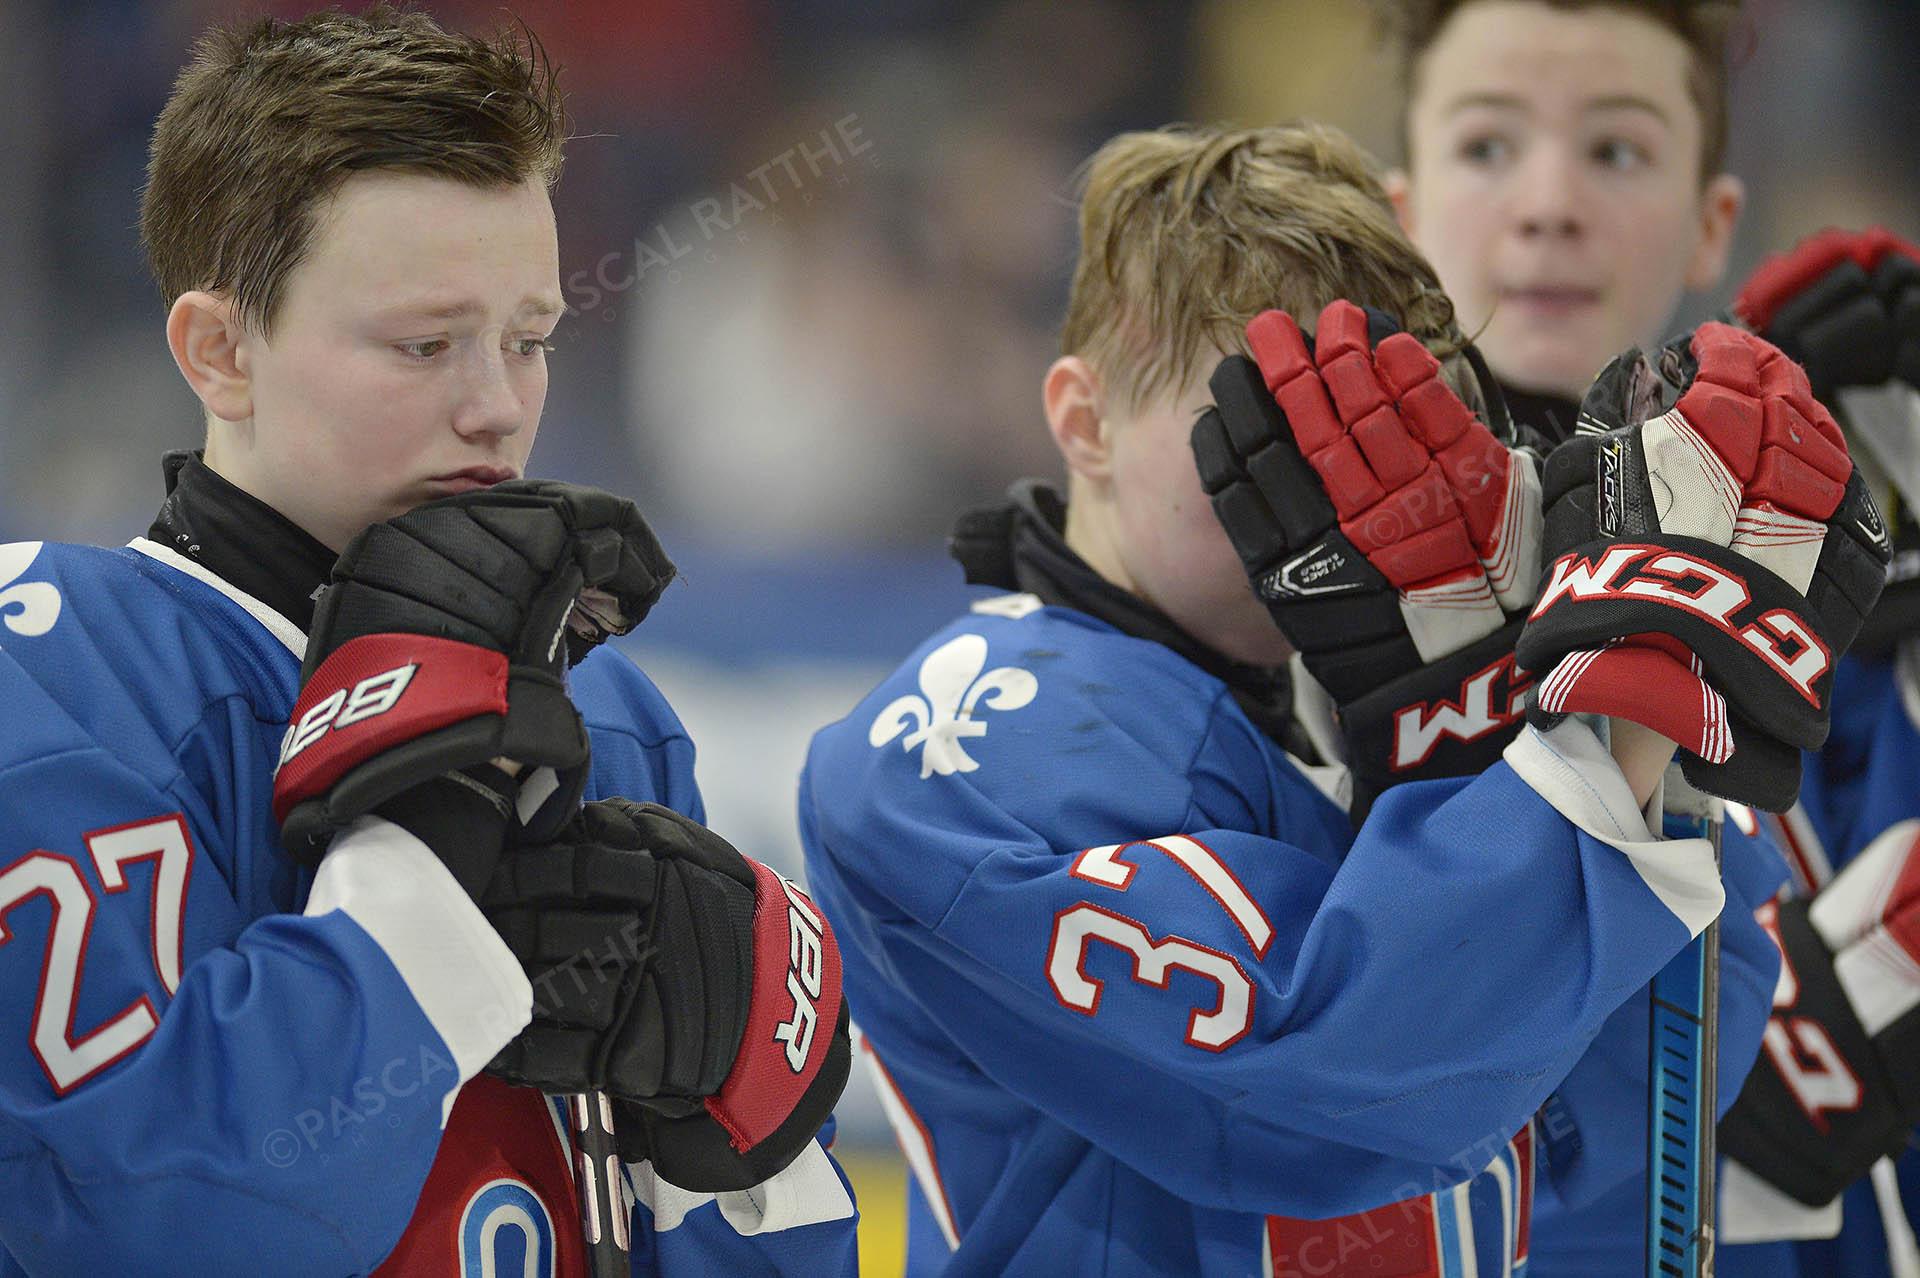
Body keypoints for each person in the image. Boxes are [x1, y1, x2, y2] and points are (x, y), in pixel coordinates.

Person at [794, 120, 1813, 1276]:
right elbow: (1337, 1100)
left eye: (1375, 417)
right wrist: (1602, 736)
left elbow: (1608, 1128)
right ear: (1086, 421)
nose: (1327, 483)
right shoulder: (953, 747)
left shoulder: (1381, 687)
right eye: (1260, 425)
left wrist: (1628, 699)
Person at [0, 8, 854, 1275]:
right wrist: (434, 846)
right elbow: (168, 1230)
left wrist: (739, 1149)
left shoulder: (604, 712)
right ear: (219, 350)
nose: (498, 407)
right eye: (424, 345)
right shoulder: (47, 683)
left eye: (530, 341)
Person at [1379, 1, 1920, 1272]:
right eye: (1486, 147)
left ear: (1710, 221)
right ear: (1401, 206)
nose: (1550, 204)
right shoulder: (1319, 601)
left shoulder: (1805, 562)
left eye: (1616, 152)